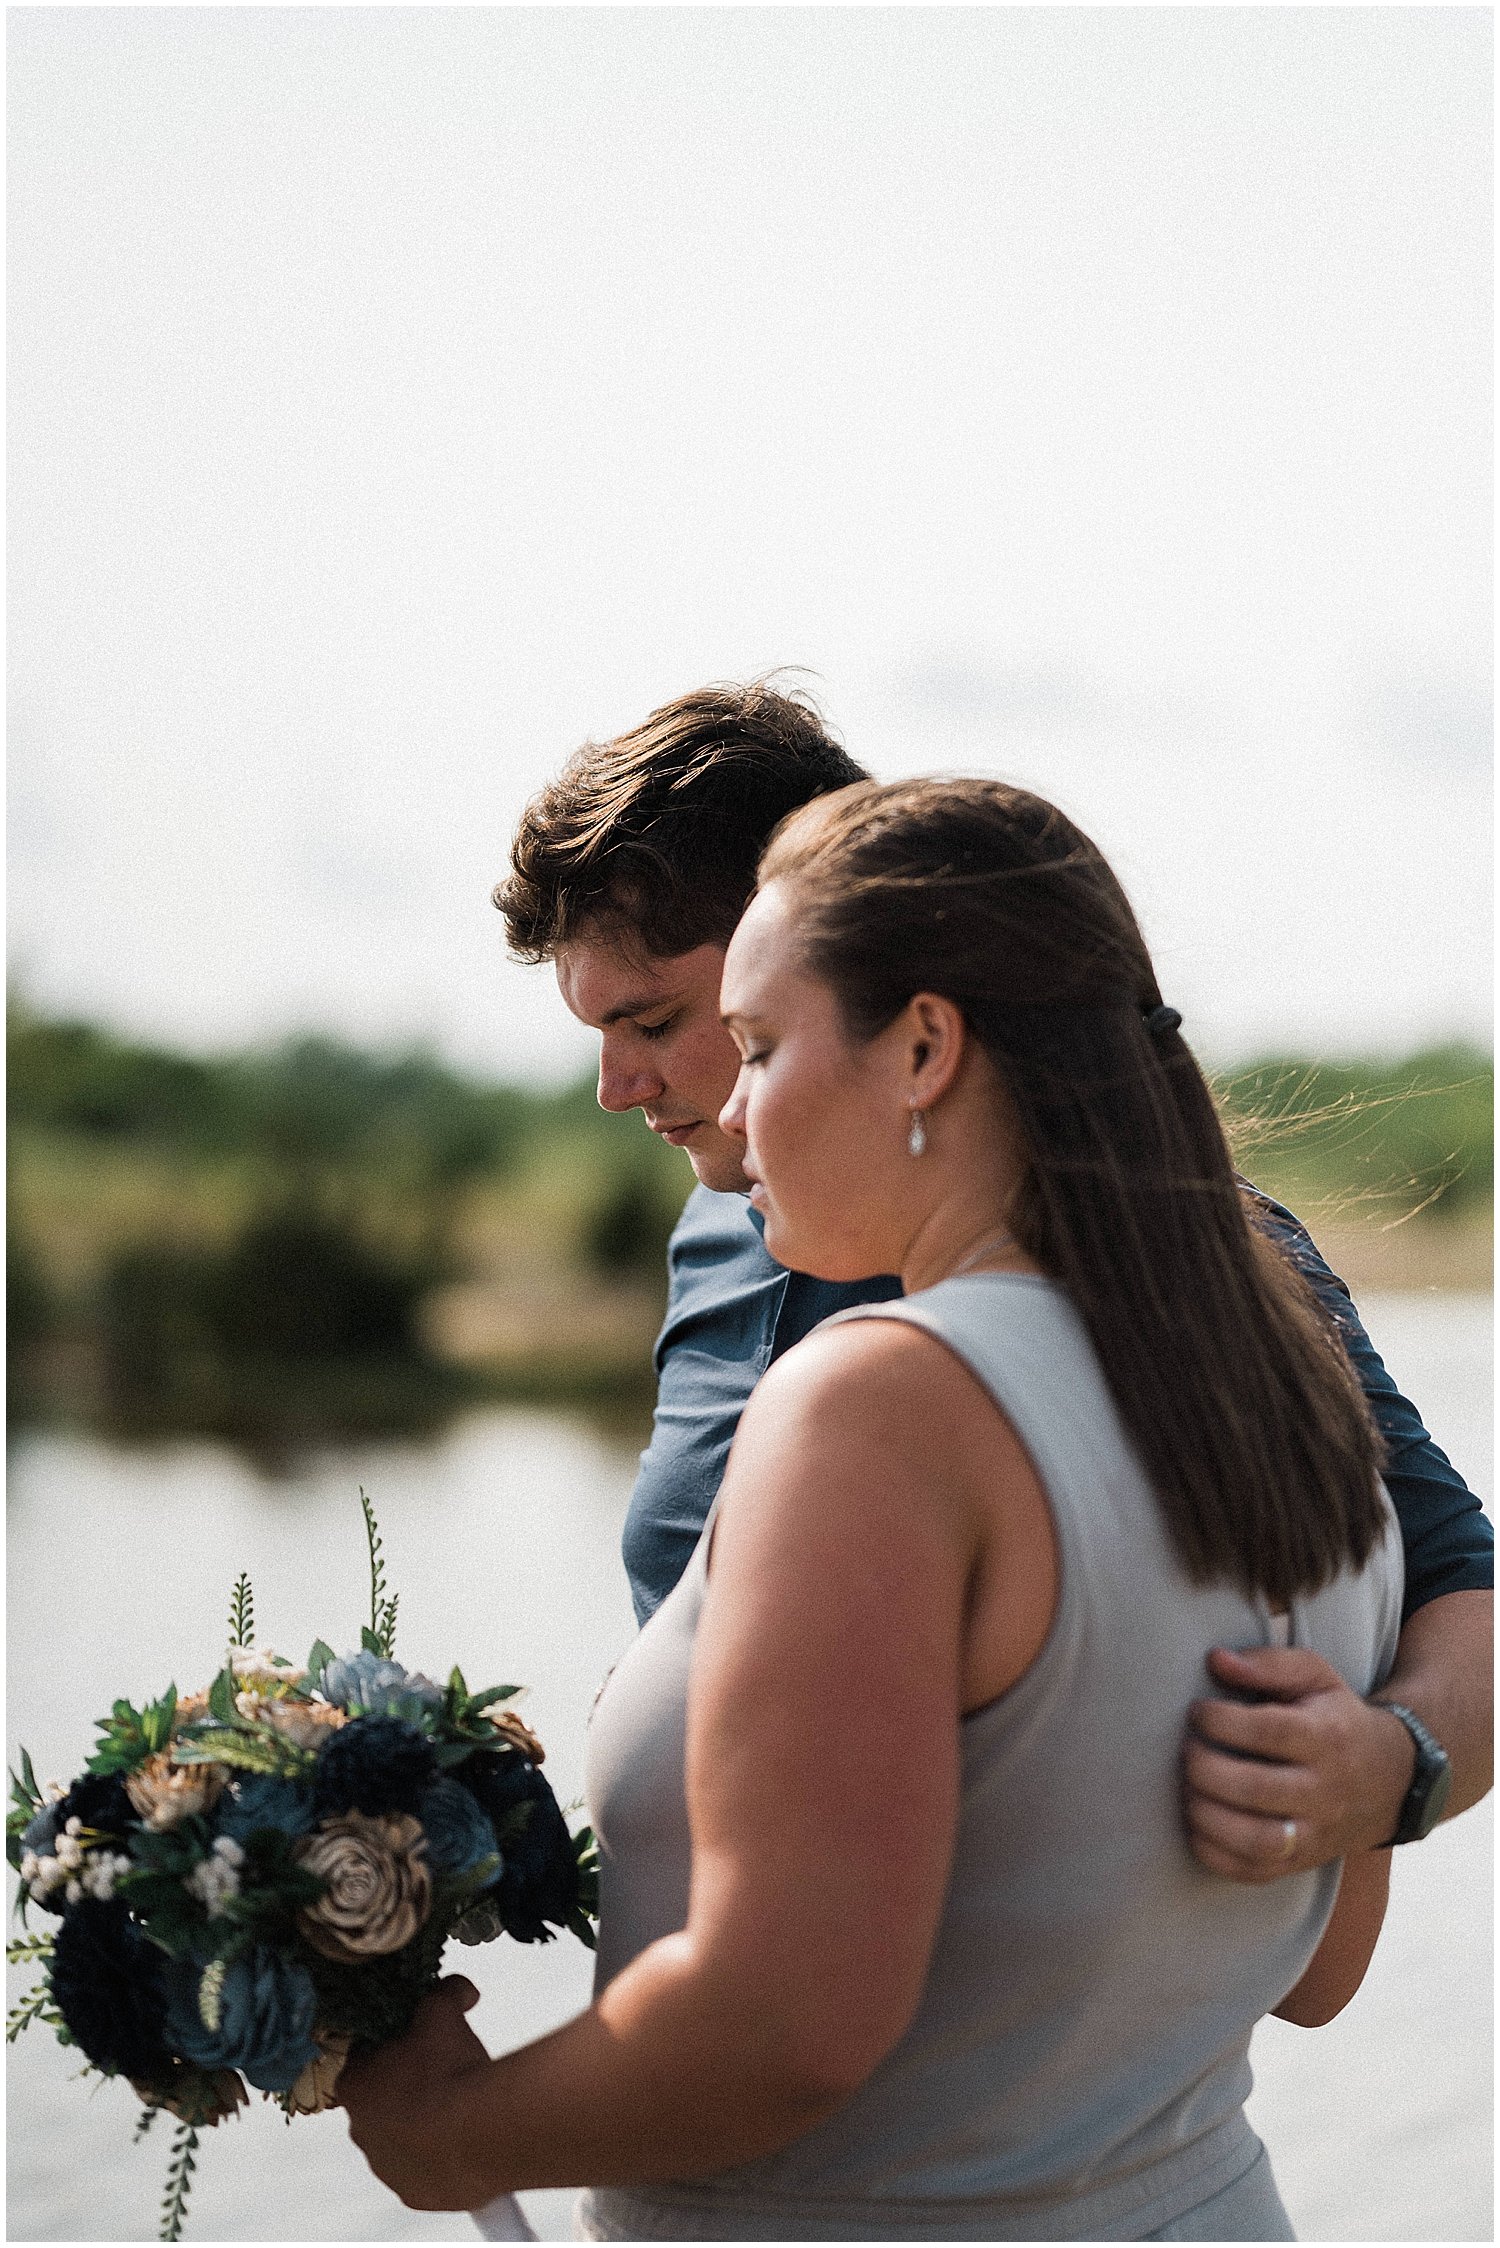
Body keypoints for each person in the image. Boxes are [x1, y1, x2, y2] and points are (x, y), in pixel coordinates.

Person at [344, 777, 1407, 2236]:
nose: (737, 1099)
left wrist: (452, 2136)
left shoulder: (882, 1407)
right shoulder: (1286, 1396)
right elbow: (1320, 1967)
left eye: (766, 1046)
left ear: (921, 1049)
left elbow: (786, 2027)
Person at [494, 681, 1492, 1877]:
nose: (616, 1087)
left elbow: (1457, 1587)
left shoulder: (1187, 1247)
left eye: (655, 1022)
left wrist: (1394, 1768)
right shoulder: (708, 1240)